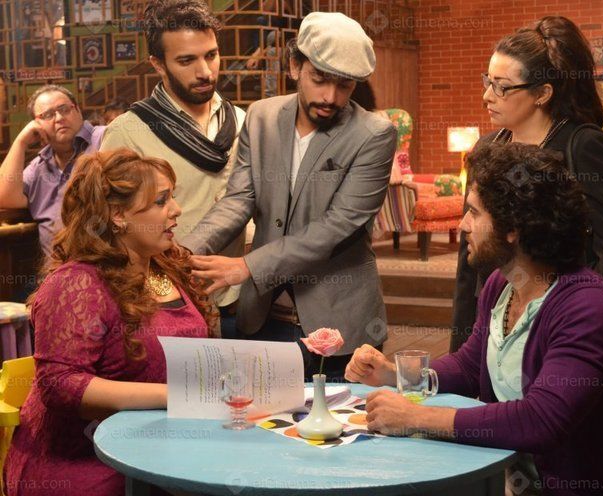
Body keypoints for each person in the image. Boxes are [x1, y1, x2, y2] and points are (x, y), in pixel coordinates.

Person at [346, 142, 603, 495]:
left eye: (474, 212)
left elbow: (542, 419)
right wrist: (396, 375)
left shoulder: (587, 307)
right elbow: (471, 367)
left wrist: (416, 417)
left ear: (513, 227)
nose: (463, 225)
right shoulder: (502, 284)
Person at [183, 12, 397, 381]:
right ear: (295, 66)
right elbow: (238, 199)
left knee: (338, 417)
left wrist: (248, 266)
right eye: (320, 79)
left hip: (339, 321)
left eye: (344, 86)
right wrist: (184, 252)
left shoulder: (374, 134)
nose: (330, 97)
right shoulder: (261, 117)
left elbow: (337, 226)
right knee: (258, 414)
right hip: (264, 316)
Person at [3, 149, 214, 496]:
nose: (176, 209)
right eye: (161, 201)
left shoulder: (165, 266)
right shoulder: (76, 283)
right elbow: (61, 385)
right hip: (84, 463)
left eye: (172, 198)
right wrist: (176, 396)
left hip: (159, 449)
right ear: (117, 216)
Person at [451, 16, 603, 355]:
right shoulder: (488, 147)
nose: (486, 96)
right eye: (488, 81)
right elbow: (470, 264)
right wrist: (462, 346)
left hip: (562, 330)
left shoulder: (582, 145)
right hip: (494, 326)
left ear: (542, 93)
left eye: (502, 86)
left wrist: (569, 317)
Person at [100, 0, 246, 335]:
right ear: (158, 64)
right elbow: (110, 231)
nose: (205, 71)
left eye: (211, 55)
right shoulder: (128, 131)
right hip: (169, 308)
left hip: (242, 300)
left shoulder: (241, 121)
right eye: (186, 60)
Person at [0, 85, 105, 257]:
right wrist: (20, 142)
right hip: (56, 270)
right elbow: (5, 197)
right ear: (36, 125)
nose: (59, 118)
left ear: (78, 110)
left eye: (64, 109)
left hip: (108, 267)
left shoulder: (104, 139)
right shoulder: (39, 166)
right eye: (48, 115)